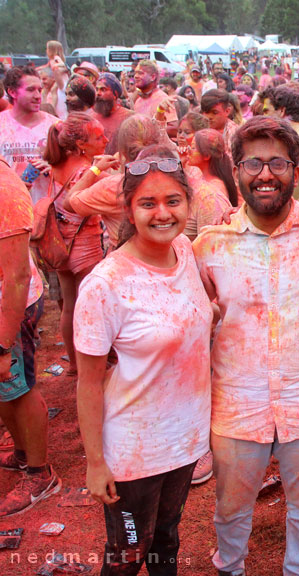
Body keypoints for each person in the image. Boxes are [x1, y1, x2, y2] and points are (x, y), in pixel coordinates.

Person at [193, 116, 299, 576]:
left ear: (297, 169)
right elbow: (189, 315)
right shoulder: (210, 245)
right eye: (253, 162)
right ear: (236, 167)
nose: (265, 175)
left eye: (277, 163)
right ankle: (230, 568)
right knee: (230, 511)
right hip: (236, 405)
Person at [75, 145, 212, 574]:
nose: (162, 214)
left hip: (185, 439)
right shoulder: (106, 284)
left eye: (173, 201)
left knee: (167, 542)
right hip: (133, 451)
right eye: (147, 204)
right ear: (128, 210)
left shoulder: (186, 252)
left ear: (188, 203)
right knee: (128, 556)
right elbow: (89, 382)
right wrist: (96, 464)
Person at [0, 159, 58, 518]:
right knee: (5, 388)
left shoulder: (4, 192)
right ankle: (22, 452)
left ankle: (40, 473)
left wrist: (3, 344)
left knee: (19, 388)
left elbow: (17, 277)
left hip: (10, 308)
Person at [43, 113, 107, 376]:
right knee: (88, 308)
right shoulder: (87, 170)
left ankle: (73, 364)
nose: (105, 139)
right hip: (85, 246)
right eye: (98, 137)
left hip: (59, 246)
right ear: (81, 144)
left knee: (70, 305)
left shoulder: (56, 164)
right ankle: (89, 368)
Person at [63, 115, 162, 253]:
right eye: (99, 137)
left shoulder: (113, 186)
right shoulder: (172, 177)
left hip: (125, 260)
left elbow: (69, 203)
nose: (106, 140)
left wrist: (96, 169)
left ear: (123, 151)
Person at [0, 66, 58, 204]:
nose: (38, 96)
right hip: (9, 210)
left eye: (40, 90)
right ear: (12, 92)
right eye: (31, 90)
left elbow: (72, 172)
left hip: (46, 212)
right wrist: (11, 185)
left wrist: (54, 170)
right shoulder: (2, 124)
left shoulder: (55, 126)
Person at [183, 128, 234, 241]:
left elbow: (210, 241)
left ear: (206, 156)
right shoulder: (196, 173)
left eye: (193, 147)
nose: (188, 151)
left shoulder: (212, 192)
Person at [91, 73, 134, 156]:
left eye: (103, 90)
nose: (98, 93)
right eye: (97, 89)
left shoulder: (129, 117)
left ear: (115, 94)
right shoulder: (91, 117)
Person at [132, 60, 178, 125]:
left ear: (153, 77)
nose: (135, 76)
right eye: (135, 73)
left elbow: (173, 129)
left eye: (140, 73)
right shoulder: (138, 101)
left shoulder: (162, 99)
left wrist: (148, 131)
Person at [201, 89, 239, 155]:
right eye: (206, 112)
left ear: (227, 111)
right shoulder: (198, 127)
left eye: (214, 112)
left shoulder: (234, 133)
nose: (209, 117)